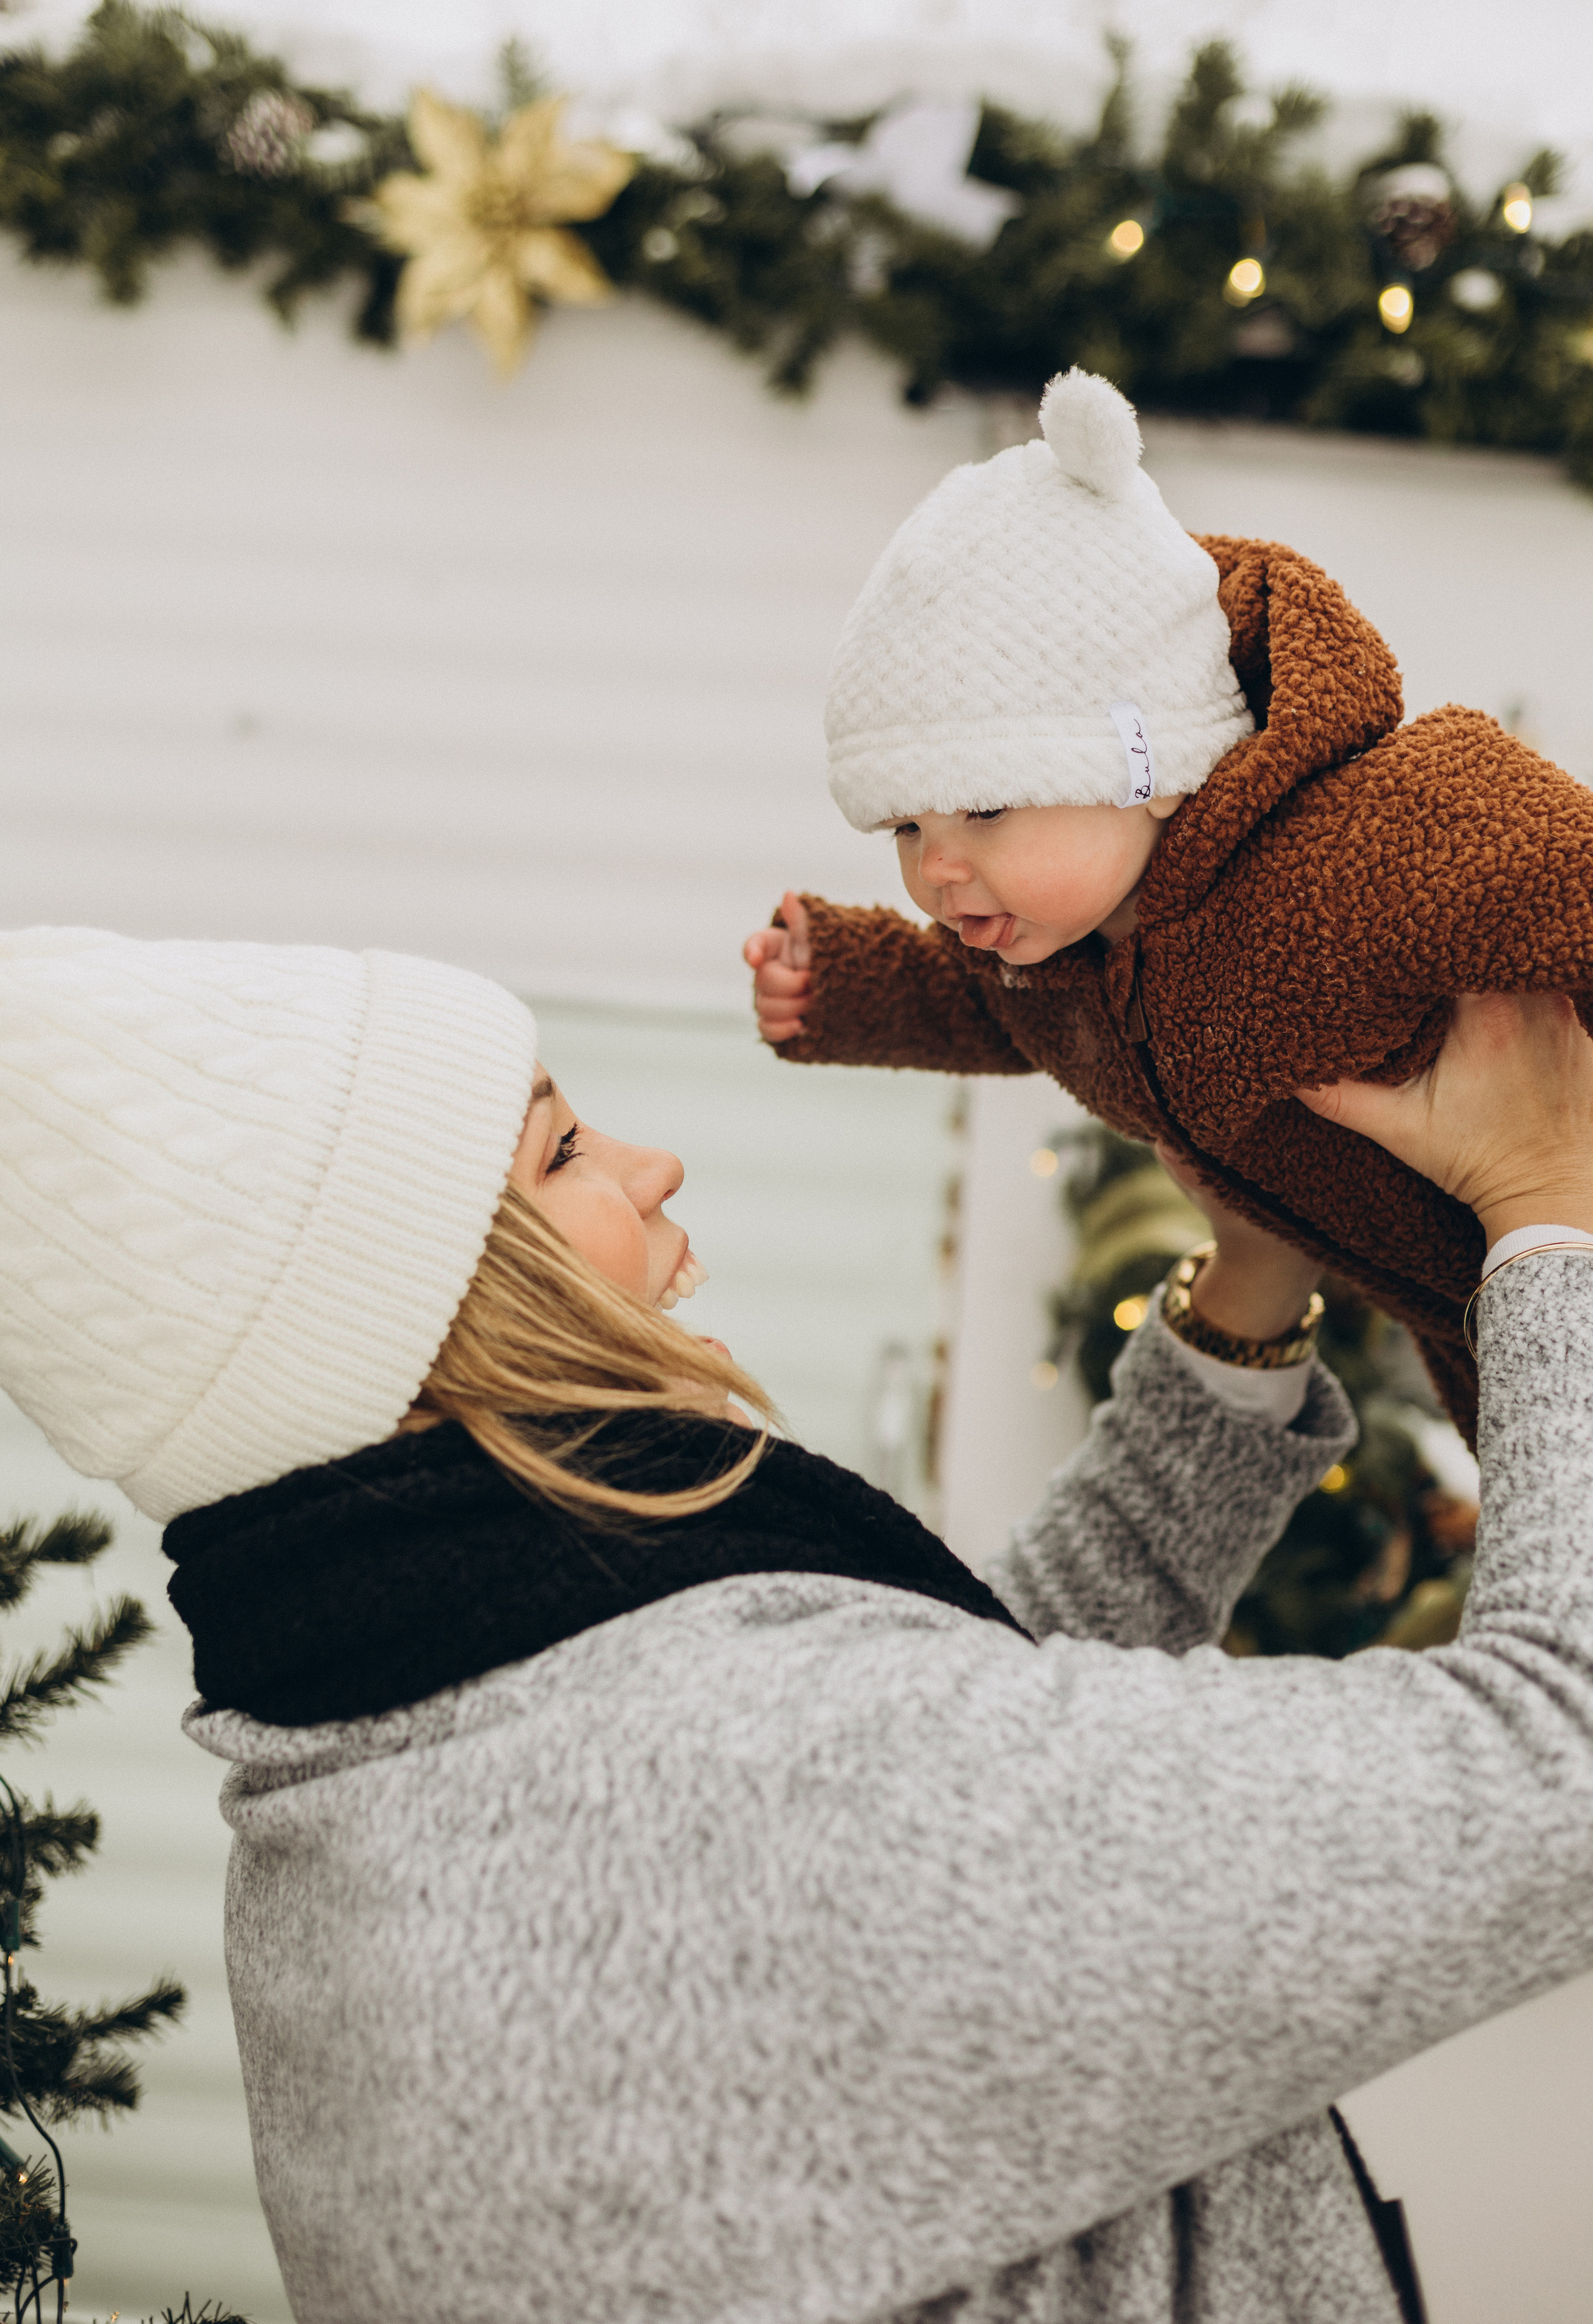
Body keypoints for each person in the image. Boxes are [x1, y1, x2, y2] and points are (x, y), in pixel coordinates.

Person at [4, 925, 1593, 2324]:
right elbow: (1562, 1764)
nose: (649, 1168)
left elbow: (954, 1785)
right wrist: (1549, 1209)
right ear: (416, 1344)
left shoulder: (409, 1743)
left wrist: (1239, 1301)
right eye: (560, 1156)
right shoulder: (730, 1795)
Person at [743, 365, 1593, 1442]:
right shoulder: (1058, 965)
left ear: (1149, 760)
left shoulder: (1358, 846)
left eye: (987, 809)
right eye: (908, 830)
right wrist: (840, 984)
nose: (937, 870)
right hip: (1506, 1340)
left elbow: (1559, 864)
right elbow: (986, 1008)